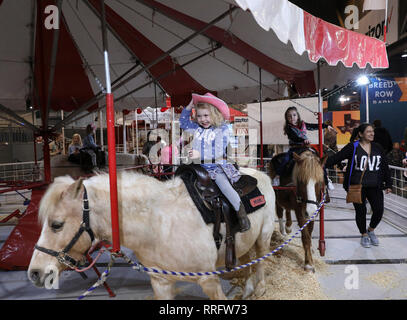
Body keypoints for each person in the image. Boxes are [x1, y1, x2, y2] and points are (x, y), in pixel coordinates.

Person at [180, 92, 250, 232]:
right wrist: (188, 107)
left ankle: (241, 214)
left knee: (225, 186)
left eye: (206, 115)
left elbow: (218, 151)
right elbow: (183, 123)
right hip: (198, 167)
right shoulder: (196, 128)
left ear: (214, 114)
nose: (202, 119)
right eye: (199, 116)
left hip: (216, 167)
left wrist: (199, 154)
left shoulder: (221, 129)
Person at [325, 123, 392, 248]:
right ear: (360, 134)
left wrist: (388, 184)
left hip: (375, 185)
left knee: (379, 210)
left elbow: (384, 167)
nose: (372, 134)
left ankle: (371, 230)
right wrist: (320, 162)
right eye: (368, 131)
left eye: (372, 131)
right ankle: (364, 234)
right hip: (357, 186)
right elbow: (336, 158)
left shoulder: (377, 147)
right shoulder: (353, 147)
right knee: (361, 211)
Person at [271, 106, 336, 188]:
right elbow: (294, 136)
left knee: (319, 160)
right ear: (287, 118)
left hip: (305, 147)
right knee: (286, 160)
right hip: (295, 148)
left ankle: (326, 180)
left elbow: (313, 126)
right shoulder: (288, 128)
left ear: (297, 116)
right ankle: (277, 176)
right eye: (289, 116)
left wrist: (325, 126)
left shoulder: (303, 124)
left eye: (294, 115)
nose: (292, 118)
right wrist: (303, 140)